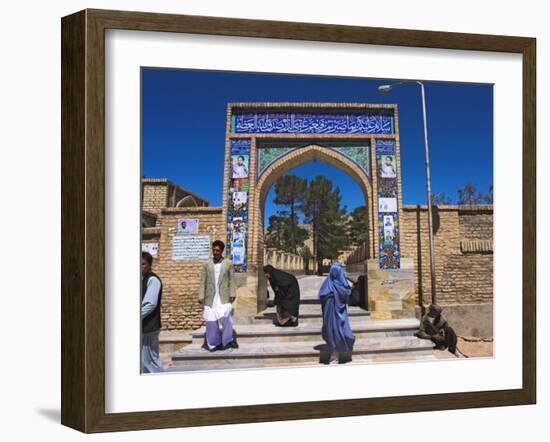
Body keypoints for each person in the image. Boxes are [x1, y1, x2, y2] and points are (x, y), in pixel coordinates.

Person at [198, 240, 238, 351]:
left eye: (217, 250)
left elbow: (232, 280)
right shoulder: (207, 264)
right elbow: (203, 281)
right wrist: (201, 295)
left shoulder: (228, 263)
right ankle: (213, 343)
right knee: (210, 321)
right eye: (214, 250)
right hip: (210, 296)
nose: (215, 252)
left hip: (223, 295)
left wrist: (232, 293)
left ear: (222, 251)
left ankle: (227, 341)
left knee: (226, 318)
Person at [318, 263, 356, 364]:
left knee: (344, 333)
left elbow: (322, 295)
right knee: (335, 332)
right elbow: (347, 293)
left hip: (339, 314)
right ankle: (335, 354)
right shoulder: (341, 283)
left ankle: (340, 352)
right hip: (331, 315)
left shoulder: (328, 284)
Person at [141, 251, 164, 373]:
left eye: (143, 264)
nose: (140, 267)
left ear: (149, 265)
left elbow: (150, 304)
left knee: (151, 362)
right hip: (144, 327)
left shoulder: (153, 280)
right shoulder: (143, 279)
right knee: (144, 362)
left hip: (149, 327)